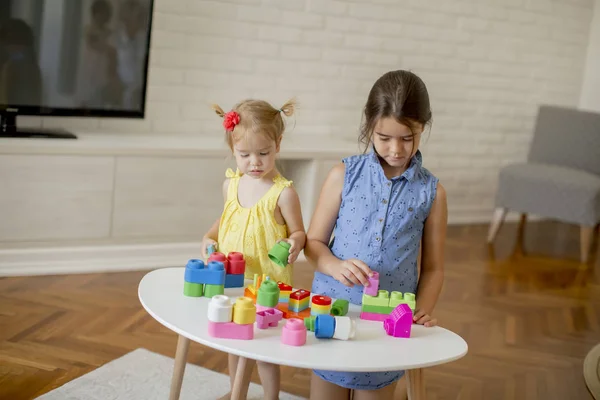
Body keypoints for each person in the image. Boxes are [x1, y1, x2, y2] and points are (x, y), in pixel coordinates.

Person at [305, 70, 447, 400]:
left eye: (407, 138)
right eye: (384, 137)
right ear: (369, 125)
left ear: (422, 128)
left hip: (387, 325)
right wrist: (334, 265)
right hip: (333, 310)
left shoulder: (432, 193)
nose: (395, 149)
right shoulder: (343, 174)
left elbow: (435, 268)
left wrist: (419, 311)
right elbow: (313, 244)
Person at [202, 98, 307, 400]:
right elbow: (223, 222)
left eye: (263, 153)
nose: (254, 163)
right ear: (232, 150)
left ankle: (271, 397)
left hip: (268, 286)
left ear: (278, 145)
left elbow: (299, 231)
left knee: (265, 350)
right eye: (244, 154)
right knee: (234, 341)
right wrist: (207, 239)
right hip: (235, 282)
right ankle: (238, 394)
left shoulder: (283, 194)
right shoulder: (231, 186)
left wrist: (294, 242)